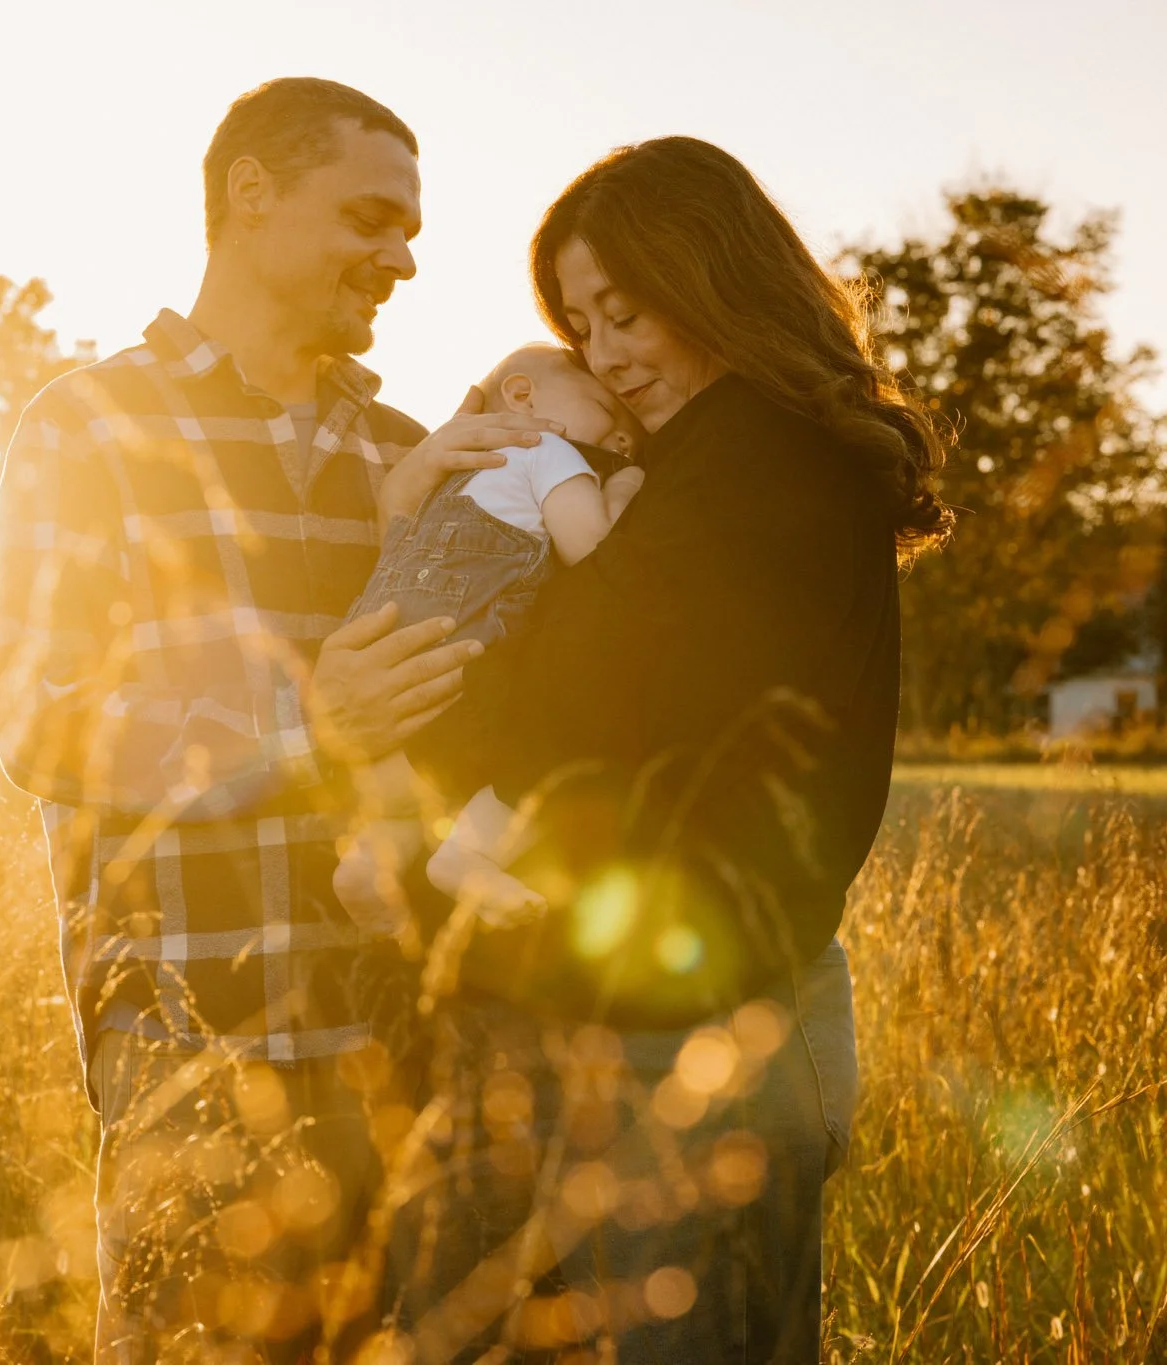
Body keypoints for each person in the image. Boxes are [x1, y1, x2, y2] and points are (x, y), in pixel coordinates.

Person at [0, 78, 560, 1360]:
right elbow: (41, 721)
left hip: (406, 1052)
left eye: (410, 231)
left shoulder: (415, 451)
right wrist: (308, 729)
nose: (400, 258)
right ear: (249, 194)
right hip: (190, 1045)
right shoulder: (89, 427)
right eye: (369, 217)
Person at [381, 138, 951, 1362]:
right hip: (638, 1026)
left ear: (710, 280)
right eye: (580, 330)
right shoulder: (694, 461)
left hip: (713, 1034)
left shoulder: (760, 465)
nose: (605, 356)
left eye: (625, 314)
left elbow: (578, 705)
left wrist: (429, 694)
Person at [331, 345, 645, 934]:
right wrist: (627, 488)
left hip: (386, 693)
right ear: (524, 398)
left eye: (632, 436)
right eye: (608, 410)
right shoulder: (547, 450)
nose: (623, 438)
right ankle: (468, 854)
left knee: (405, 805)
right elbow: (594, 550)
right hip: (459, 688)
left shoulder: (448, 476)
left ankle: (362, 867)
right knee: (541, 748)